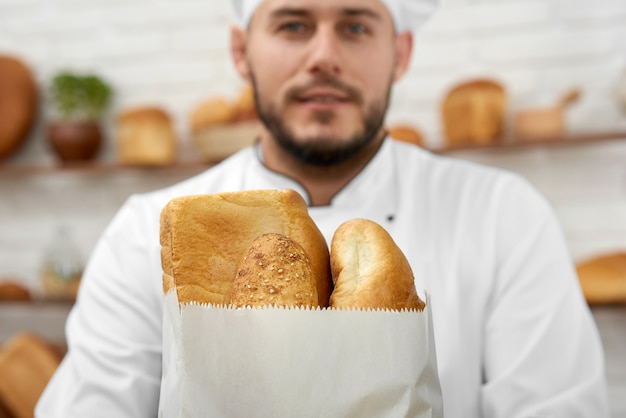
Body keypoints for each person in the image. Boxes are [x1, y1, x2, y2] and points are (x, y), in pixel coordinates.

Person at [36, 0, 610, 416]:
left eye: (356, 25)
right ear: (241, 52)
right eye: (293, 24)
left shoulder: (504, 215)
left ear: (401, 53)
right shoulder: (146, 231)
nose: (324, 55)